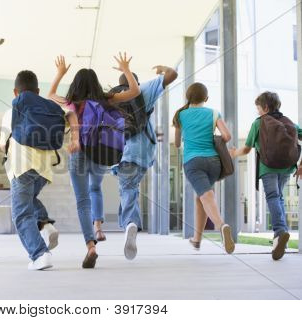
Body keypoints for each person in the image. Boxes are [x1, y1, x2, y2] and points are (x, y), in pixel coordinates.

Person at [48, 53, 141, 268]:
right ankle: (99, 225)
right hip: (101, 152)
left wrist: (60, 73)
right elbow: (134, 91)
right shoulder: (107, 100)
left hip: (78, 152)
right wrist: (126, 69)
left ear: (76, 85)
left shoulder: (72, 102)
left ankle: (90, 246)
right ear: (96, 84)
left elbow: (51, 93)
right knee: (95, 188)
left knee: (82, 200)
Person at [0, 70, 80, 270]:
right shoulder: (50, 110)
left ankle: (39, 255)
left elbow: (2, 145)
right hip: (44, 170)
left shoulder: (12, 111)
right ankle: (45, 223)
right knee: (29, 200)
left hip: (22, 167)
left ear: (15, 92)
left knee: (21, 213)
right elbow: (70, 115)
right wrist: (76, 138)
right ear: (37, 90)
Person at [111, 66, 177, 260]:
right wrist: (162, 69)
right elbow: (173, 75)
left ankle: (130, 223)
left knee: (128, 189)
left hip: (123, 152)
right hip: (145, 152)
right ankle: (128, 223)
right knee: (130, 189)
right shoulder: (144, 90)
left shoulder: (113, 97)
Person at [230, 91, 302, 260]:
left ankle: (280, 231)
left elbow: (246, 149)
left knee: (272, 197)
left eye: (258, 109)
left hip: (268, 167)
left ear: (265, 107)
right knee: (279, 198)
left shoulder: (259, 123)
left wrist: (234, 153)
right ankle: (279, 237)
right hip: (286, 167)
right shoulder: (290, 123)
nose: (257, 112)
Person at [173, 82, 235, 254]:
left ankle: (221, 226)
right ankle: (197, 239)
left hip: (193, 162)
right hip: (214, 162)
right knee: (201, 197)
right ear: (206, 98)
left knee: (206, 196)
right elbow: (227, 136)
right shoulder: (214, 113)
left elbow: (177, 143)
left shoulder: (180, 114)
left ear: (188, 97)